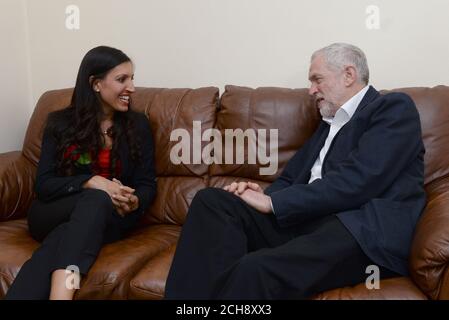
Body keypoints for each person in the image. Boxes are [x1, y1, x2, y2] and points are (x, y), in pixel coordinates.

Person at [164, 43, 426, 299]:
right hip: (307, 219)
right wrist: (260, 196)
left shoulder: (393, 108)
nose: (311, 90)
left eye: (317, 79)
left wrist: (274, 202)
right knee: (212, 201)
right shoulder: (329, 123)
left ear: (349, 75)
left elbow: (359, 181)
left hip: (358, 229)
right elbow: (290, 178)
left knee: (255, 269)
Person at [5, 46, 157, 300]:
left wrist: (134, 201)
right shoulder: (60, 123)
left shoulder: (138, 125)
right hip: (53, 212)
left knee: (68, 235)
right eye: (122, 79)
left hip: (108, 217)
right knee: (94, 200)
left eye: (132, 79)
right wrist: (90, 182)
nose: (131, 87)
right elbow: (44, 185)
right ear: (96, 84)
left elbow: (147, 183)